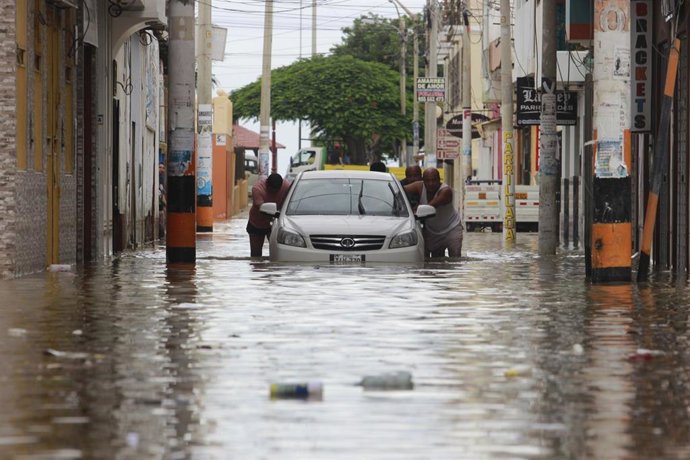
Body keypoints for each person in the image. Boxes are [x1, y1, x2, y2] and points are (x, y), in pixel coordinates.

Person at [403, 167, 463, 258]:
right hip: (432, 231)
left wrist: (414, 210)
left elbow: (429, 207)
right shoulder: (419, 186)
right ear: (423, 180)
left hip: (452, 228)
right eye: (427, 181)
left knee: (455, 258)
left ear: (439, 180)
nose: (431, 184)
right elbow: (400, 190)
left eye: (434, 180)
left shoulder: (446, 191)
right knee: (436, 261)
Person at [247, 173, 291, 257]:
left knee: (279, 253)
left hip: (276, 223)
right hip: (257, 223)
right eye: (272, 190)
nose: (274, 192)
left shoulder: (286, 187)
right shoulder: (258, 189)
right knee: (256, 255)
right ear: (267, 184)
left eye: (277, 190)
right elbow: (261, 207)